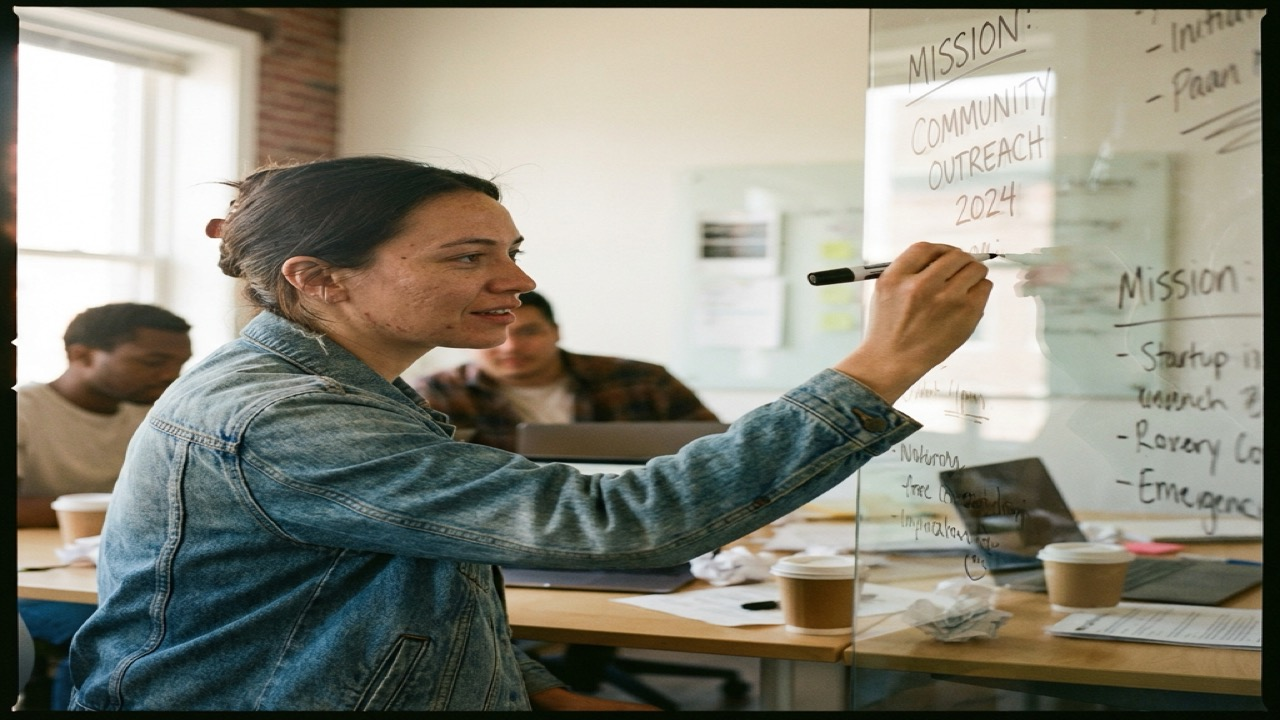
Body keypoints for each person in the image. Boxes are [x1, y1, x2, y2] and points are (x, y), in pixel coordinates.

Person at [66, 155, 991, 712]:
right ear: (321, 280)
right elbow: (623, 524)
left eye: (510, 250)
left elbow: (404, 582)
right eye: (470, 257)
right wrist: (879, 368)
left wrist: (537, 687)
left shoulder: (348, 388)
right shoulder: (281, 416)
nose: (515, 281)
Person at [16, 302, 192, 710]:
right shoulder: (24, 409)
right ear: (81, 355)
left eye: (180, 363)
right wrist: (120, 507)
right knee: (109, 631)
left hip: (109, 576)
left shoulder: (154, 415)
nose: (170, 375)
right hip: (31, 581)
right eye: (153, 361)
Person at [414, 289, 720, 451]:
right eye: (497, 335)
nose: (511, 347)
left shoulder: (644, 381)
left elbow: (716, 449)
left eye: (529, 332)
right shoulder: (436, 394)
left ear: (555, 332)